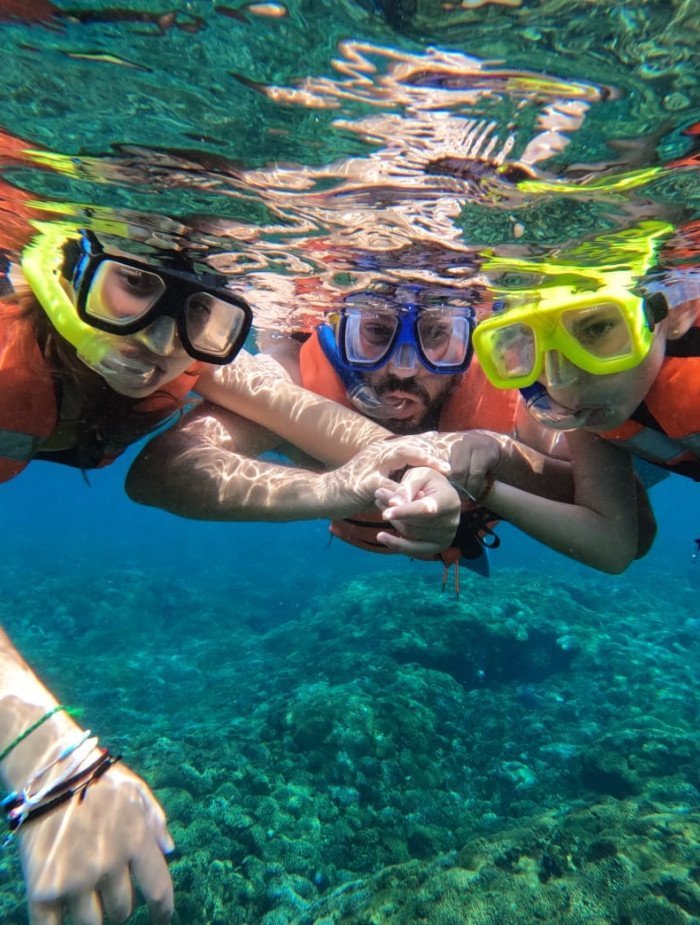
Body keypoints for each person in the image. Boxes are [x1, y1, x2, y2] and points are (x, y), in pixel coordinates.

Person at [1, 221, 455, 923]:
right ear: (64, 268)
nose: (159, 341)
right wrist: (49, 762)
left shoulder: (186, 346)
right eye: (133, 284)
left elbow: (305, 415)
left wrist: (429, 475)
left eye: (197, 314)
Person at [128, 277, 654, 576]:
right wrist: (336, 487)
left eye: (436, 336)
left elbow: (632, 529)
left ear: (471, 336)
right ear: (335, 326)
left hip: (474, 527)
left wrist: (496, 454)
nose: (404, 368)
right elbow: (161, 471)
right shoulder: (294, 376)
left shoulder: (512, 383)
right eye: (376, 334)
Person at [470, 222, 700, 481]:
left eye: (597, 329)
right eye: (531, 343)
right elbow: (608, 502)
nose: (561, 382)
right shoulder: (594, 400)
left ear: (678, 308)